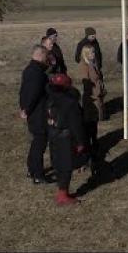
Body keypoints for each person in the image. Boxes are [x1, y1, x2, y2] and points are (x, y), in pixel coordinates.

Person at [45, 73, 88, 206]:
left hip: (53, 135)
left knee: (58, 164)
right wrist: (81, 141)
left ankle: (61, 191)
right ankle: (63, 194)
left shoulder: (50, 100)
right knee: (66, 166)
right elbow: (76, 124)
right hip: (66, 137)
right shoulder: (70, 102)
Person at [19, 45, 50, 184]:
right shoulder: (38, 73)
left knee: (36, 142)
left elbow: (22, 92)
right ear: (41, 55)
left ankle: (31, 169)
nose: (47, 59)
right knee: (40, 144)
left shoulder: (28, 70)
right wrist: (28, 109)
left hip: (32, 113)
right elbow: (35, 94)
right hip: (38, 113)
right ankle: (37, 174)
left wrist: (24, 108)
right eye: (46, 56)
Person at [79, 45, 106, 171]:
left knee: (94, 126)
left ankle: (95, 149)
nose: (94, 54)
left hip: (98, 98)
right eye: (91, 52)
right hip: (91, 100)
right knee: (89, 127)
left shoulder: (94, 63)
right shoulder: (84, 66)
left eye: (94, 52)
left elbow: (99, 78)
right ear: (85, 54)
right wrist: (95, 93)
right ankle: (88, 154)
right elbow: (86, 84)